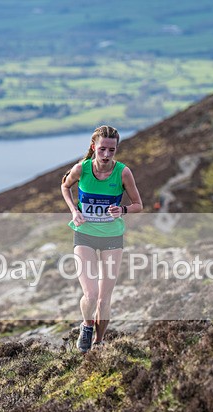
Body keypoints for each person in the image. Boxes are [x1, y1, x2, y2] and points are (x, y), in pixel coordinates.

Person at [61, 125, 143, 352]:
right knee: (91, 293)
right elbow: (65, 186)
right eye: (102, 149)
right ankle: (87, 326)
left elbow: (138, 205)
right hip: (85, 235)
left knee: (104, 299)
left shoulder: (123, 173)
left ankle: (98, 342)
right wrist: (74, 211)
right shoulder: (82, 169)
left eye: (112, 150)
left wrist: (123, 211)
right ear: (93, 147)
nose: (106, 155)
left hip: (112, 237)